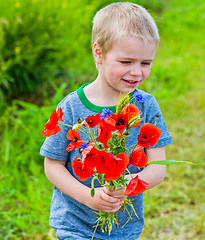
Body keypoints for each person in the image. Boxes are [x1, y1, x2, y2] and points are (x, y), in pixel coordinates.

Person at [40, 2, 173, 239]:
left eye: (145, 63)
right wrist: (87, 196)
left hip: (123, 227)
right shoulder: (71, 107)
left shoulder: (146, 106)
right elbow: (52, 166)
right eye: (126, 62)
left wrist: (124, 184)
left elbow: (157, 169)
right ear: (98, 53)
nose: (136, 72)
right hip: (74, 223)